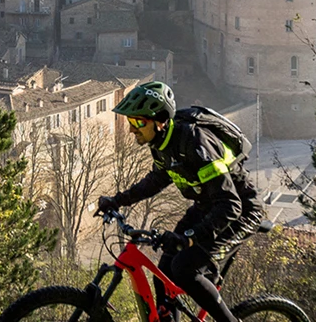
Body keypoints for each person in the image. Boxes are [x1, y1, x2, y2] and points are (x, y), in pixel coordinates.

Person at [96, 81, 264, 322]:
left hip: (240, 213)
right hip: (208, 208)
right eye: (131, 122)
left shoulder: (195, 143)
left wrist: (190, 237)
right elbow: (157, 179)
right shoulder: (162, 144)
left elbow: (230, 204)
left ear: (160, 120)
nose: (132, 129)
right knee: (163, 273)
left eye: (139, 122)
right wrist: (117, 200)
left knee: (184, 268)